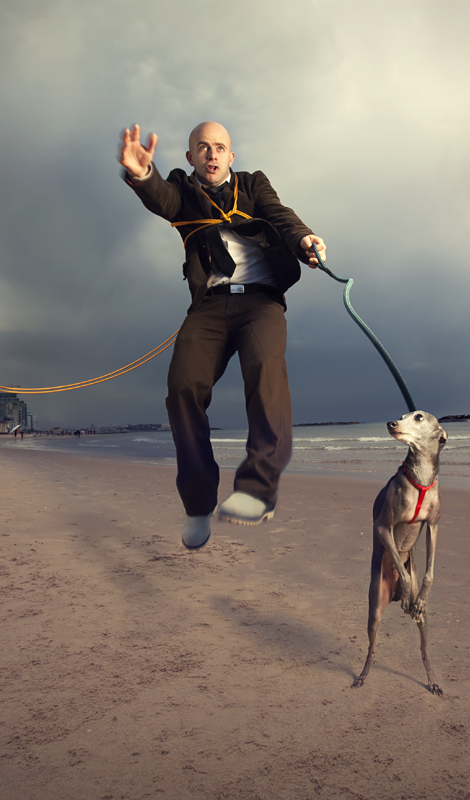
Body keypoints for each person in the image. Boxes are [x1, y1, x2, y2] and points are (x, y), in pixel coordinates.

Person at [120, 121, 326, 549]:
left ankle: (257, 489)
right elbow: (162, 197)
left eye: (219, 148)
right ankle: (197, 504)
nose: (211, 155)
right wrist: (142, 176)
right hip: (210, 306)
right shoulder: (181, 190)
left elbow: (280, 215)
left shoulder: (253, 185)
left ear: (231, 157)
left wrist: (303, 236)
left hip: (260, 303)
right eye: (202, 148)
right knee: (182, 386)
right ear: (190, 157)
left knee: (266, 368)